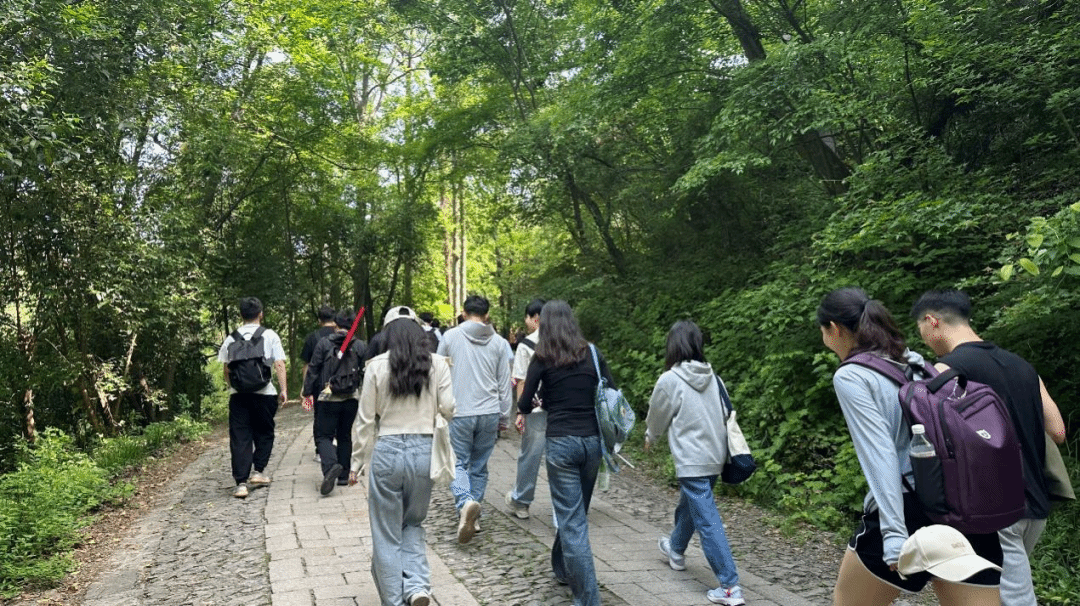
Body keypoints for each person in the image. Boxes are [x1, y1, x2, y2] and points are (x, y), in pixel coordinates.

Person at [817, 287, 1002, 606]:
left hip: (908, 507)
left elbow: (880, 455)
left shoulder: (852, 376)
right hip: (962, 500)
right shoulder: (913, 362)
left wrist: (893, 535)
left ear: (834, 328)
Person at [910, 289, 1067, 606]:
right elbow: (1058, 431)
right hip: (1035, 505)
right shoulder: (1022, 366)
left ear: (931, 321)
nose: (924, 338)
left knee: (1013, 600)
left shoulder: (947, 371)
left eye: (921, 329)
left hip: (993, 507)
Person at [350, 307, 454, 606]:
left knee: (386, 533)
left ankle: (394, 600)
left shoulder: (376, 367)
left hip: (388, 450)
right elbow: (449, 407)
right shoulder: (437, 364)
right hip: (424, 451)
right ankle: (418, 587)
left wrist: (356, 462)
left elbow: (365, 419)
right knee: (413, 523)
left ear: (387, 334)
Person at [517, 300, 612, 606]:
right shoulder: (592, 353)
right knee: (575, 512)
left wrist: (541, 400)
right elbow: (609, 390)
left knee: (572, 522)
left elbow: (524, 404)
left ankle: (588, 599)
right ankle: (562, 566)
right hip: (592, 443)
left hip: (561, 443)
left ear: (544, 323)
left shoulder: (542, 357)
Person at [645, 320, 745, 605]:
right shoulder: (715, 378)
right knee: (691, 503)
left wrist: (651, 436)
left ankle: (730, 586)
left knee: (707, 520)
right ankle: (675, 549)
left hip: (692, 459)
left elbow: (657, 415)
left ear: (673, 345)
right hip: (715, 457)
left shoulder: (670, 380)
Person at [436, 295, 513, 544]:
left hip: (459, 411)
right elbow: (504, 383)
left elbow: (438, 373)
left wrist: (438, 407)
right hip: (489, 412)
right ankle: (474, 515)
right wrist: (504, 415)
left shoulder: (449, 337)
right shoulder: (500, 343)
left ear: (464, 313)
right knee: (479, 466)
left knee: (458, 464)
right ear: (487, 315)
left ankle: (465, 503)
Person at [217, 297, 288, 499]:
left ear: (241, 315)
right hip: (265, 393)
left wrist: (233, 387)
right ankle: (258, 472)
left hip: (239, 397)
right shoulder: (270, 335)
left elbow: (226, 370)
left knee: (240, 437)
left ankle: (241, 484)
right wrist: (283, 389)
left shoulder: (231, 338)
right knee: (265, 432)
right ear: (261, 314)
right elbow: (279, 364)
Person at [302, 309, 366, 496]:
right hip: (351, 397)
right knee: (345, 435)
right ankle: (344, 475)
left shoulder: (324, 343)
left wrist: (307, 392)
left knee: (323, 435)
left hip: (328, 397)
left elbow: (313, 369)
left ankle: (330, 467)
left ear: (336, 325)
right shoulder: (360, 345)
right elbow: (366, 371)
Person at [505, 298, 546, 519]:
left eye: (527, 317)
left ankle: (521, 502)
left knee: (530, 455)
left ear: (535, 318)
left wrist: (521, 411)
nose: (526, 321)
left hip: (536, 408)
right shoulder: (563, 341)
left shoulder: (526, 345)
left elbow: (521, 380)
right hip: (562, 408)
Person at [301, 305, 337, 461]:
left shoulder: (312, 337)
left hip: (318, 383)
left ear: (319, 320)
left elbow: (307, 365)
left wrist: (305, 387)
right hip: (340, 381)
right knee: (338, 413)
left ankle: (320, 451)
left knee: (319, 416)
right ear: (334, 319)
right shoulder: (342, 335)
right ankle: (336, 446)